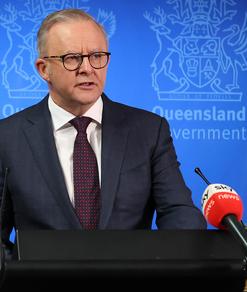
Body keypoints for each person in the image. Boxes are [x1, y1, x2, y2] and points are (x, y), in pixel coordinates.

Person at [0, 9, 205, 250]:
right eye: (72, 58)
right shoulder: (7, 138)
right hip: (38, 286)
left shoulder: (148, 131)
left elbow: (179, 214)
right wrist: (18, 278)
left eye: (97, 56)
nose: (87, 68)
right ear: (44, 69)